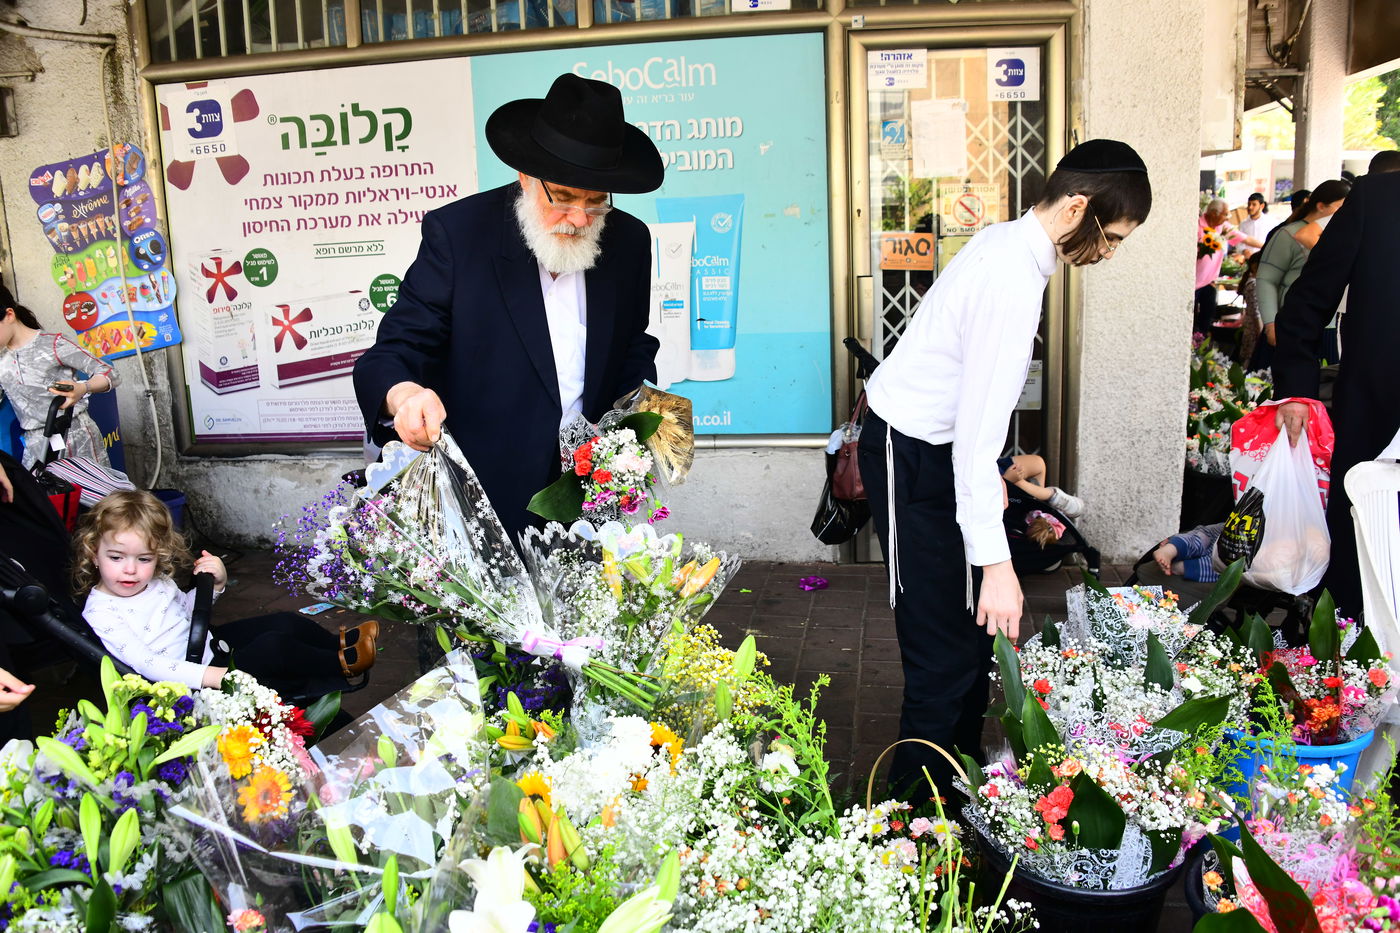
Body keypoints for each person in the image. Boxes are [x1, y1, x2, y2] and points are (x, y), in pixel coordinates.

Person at [857, 139, 1152, 798]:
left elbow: (971, 405)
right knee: (941, 654)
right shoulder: (1011, 278)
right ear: (1078, 208)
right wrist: (997, 567)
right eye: (1114, 237)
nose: (1108, 253)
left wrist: (1004, 463)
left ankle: (953, 797)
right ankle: (908, 833)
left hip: (941, 449)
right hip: (909, 453)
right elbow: (967, 437)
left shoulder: (1014, 252)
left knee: (967, 647)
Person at [354, 73, 663, 542]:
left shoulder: (630, 241)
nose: (580, 219)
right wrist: (405, 396)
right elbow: (396, 349)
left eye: (596, 202)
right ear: (526, 176)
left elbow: (632, 343)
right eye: (563, 197)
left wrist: (634, 421)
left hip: (587, 498)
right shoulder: (460, 236)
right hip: (479, 497)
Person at [74, 490, 379, 696]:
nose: (130, 570)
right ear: (92, 552)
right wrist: (214, 677)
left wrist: (216, 585)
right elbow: (144, 664)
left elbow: (188, 614)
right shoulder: (101, 612)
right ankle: (342, 663)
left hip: (207, 646)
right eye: (116, 558)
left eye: (144, 559)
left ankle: (338, 644)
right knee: (274, 648)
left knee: (285, 622)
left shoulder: (154, 582)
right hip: (192, 679)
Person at [1274, 170, 1400, 619]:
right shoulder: (1378, 198)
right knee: (1358, 581)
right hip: (1376, 423)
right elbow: (1307, 303)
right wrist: (1295, 393)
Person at [0, 283, 118, 469]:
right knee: (41, 498)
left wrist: (83, 387)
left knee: (95, 496)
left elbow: (110, 372)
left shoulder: (53, 344)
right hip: (36, 443)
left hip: (75, 435)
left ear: (9, 315)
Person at [1255, 179, 1350, 368]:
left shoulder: (1343, 236)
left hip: (1330, 328)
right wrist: (1271, 323)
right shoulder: (1287, 234)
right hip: (1291, 324)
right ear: (1321, 206)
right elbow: (1266, 279)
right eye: (1341, 207)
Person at [1195, 199, 1261, 335]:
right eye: (1225, 214)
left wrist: (1266, 247)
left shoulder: (1223, 227)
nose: (1227, 218)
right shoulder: (1197, 226)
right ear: (1214, 213)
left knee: (1207, 318)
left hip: (1209, 282)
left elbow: (1246, 239)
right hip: (1192, 283)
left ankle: (1199, 344)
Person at [999, 453, 1084, 518]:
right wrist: (1007, 479)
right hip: (996, 484)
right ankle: (1052, 496)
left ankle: (1037, 507)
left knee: (1038, 464)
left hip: (994, 467)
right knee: (1015, 480)